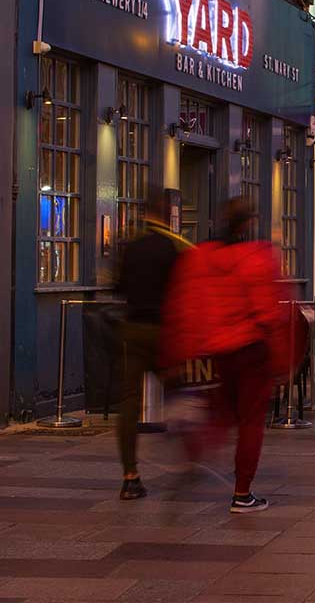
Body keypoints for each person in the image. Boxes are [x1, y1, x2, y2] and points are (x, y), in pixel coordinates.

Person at [162, 199, 288, 514]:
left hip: (217, 351)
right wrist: (282, 358)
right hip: (252, 350)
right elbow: (269, 311)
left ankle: (192, 452)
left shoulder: (199, 258)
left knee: (220, 414)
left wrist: (179, 352)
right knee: (250, 422)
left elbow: (186, 307)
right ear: (248, 223)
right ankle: (242, 493)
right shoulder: (257, 257)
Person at [114, 187, 189, 500]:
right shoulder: (173, 248)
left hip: (133, 330)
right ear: (166, 212)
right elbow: (184, 292)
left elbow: (118, 287)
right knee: (180, 392)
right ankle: (184, 459)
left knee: (129, 402)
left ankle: (130, 475)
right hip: (164, 332)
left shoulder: (130, 247)